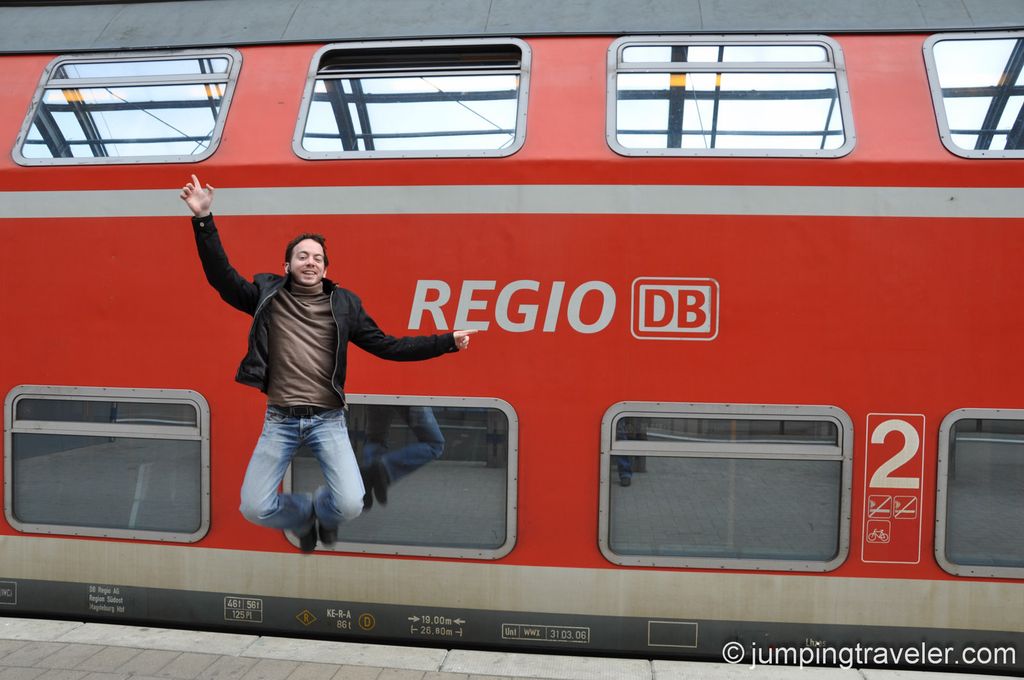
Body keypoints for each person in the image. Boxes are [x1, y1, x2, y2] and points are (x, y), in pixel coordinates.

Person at [179, 175, 477, 551]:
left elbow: (389, 346)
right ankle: (304, 514)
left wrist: (445, 342)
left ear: (325, 268)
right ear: (287, 265)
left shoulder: (344, 305)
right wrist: (203, 219)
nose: (311, 262)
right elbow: (220, 277)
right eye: (303, 256)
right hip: (280, 421)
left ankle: (320, 509)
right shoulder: (265, 298)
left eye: (317, 258)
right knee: (253, 508)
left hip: (327, 421)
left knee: (351, 504)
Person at [360, 405, 445, 508]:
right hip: (412, 397)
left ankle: (364, 482)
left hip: (376, 395)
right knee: (435, 445)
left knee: (375, 438)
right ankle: (384, 469)